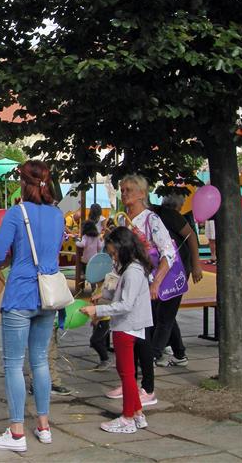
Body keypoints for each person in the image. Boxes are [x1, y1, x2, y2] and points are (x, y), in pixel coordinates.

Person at [0, 160, 64, 452]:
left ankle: (16, 431)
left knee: (13, 364)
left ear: (25, 183)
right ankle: (44, 426)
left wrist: (7, 259)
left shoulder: (16, 214)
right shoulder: (57, 215)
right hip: (48, 295)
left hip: (20, 294)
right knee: (40, 360)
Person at [105, 175, 174, 406]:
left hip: (145, 285)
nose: (125, 194)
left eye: (129, 190)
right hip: (128, 283)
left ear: (142, 193)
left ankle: (148, 387)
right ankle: (129, 383)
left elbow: (168, 253)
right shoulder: (123, 221)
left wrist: (156, 283)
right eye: (122, 190)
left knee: (142, 337)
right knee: (127, 335)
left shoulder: (151, 220)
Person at [81, 227, 153, 434]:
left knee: (127, 374)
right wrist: (103, 296)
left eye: (114, 253)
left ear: (124, 248)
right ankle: (137, 413)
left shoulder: (132, 271)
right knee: (127, 373)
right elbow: (120, 297)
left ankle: (128, 417)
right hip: (130, 325)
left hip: (126, 326)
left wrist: (97, 309)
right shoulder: (134, 268)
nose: (113, 257)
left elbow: (125, 304)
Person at [151, 191, 203, 367]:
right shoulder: (158, 214)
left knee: (164, 313)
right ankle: (179, 354)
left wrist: (196, 265)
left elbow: (192, 237)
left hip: (177, 271)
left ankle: (154, 354)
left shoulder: (170, 215)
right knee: (164, 311)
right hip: (165, 269)